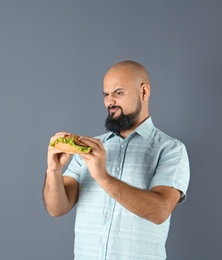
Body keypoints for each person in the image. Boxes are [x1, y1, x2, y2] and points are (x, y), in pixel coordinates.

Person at [43, 60, 190, 260]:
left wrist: (102, 177)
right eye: (106, 94)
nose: (109, 102)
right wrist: (53, 171)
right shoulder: (88, 148)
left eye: (118, 93)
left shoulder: (171, 149)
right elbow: (57, 208)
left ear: (144, 92)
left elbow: (160, 211)